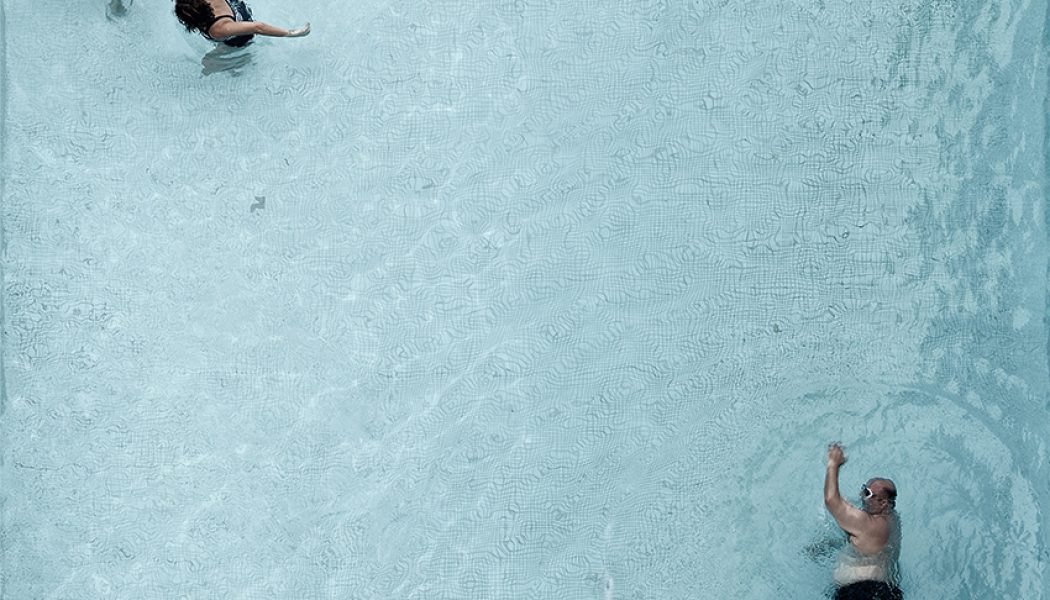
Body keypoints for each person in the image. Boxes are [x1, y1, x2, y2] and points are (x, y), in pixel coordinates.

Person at [824, 443, 902, 600]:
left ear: (883, 503)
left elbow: (831, 501)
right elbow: (865, 546)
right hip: (888, 592)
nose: (861, 495)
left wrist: (833, 464)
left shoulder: (869, 524)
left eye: (867, 493)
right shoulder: (893, 520)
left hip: (861, 593)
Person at [174, 0, 309, 48]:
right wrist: (290, 33)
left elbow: (258, 27)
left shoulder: (219, 27)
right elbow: (258, 27)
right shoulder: (219, 29)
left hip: (234, 17)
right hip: (239, 39)